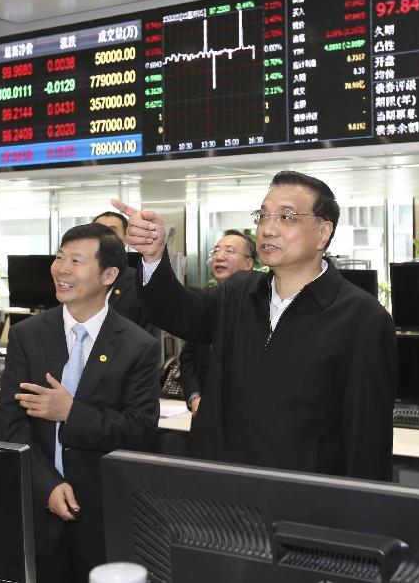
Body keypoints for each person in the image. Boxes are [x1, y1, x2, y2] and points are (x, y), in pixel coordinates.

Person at [112, 170, 397, 481]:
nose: (268, 229)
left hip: (302, 503)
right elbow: (177, 311)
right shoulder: (239, 293)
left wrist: (361, 519)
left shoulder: (362, 318)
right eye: (262, 216)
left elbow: (367, 440)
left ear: (323, 232)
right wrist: (153, 257)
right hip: (217, 495)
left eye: (286, 217)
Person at [0, 223, 159, 582]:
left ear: (109, 274)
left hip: (103, 514)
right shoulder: (27, 335)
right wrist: (47, 484)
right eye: (59, 257)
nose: (62, 269)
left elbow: (140, 431)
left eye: (76, 260)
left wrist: (71, 413)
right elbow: (11, 423)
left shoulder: (138, 345)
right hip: (39, 510)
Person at [179, 229, 256, 414]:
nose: (219, 257)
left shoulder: (261, 307)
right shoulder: (206, 303)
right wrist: (195, 396)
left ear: (249, 263)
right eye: (216, 251)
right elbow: (189, 356)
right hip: (206, 414)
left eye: (229, 251)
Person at [92, 211, 155, 336]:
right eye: (98, 231)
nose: (104, 236)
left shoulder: (142, 285)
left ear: (126, 238)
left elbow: (150, 340)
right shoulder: (77, 279)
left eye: (112, 231)